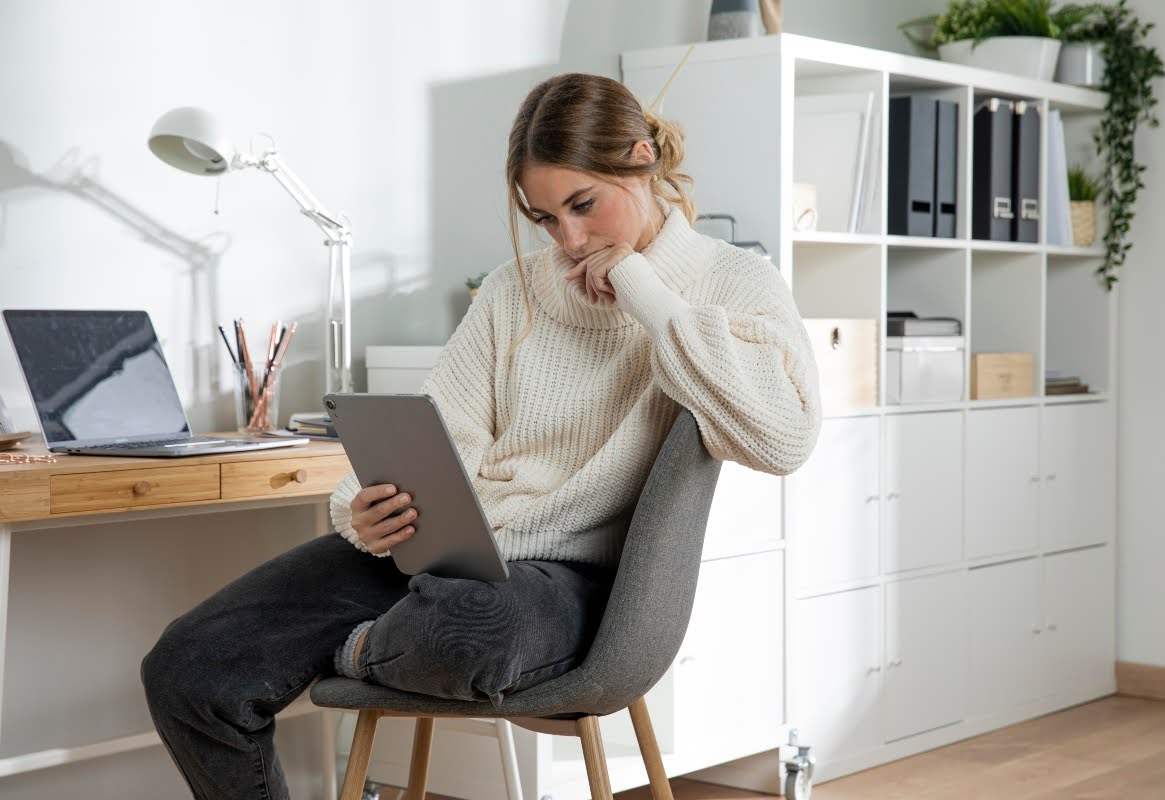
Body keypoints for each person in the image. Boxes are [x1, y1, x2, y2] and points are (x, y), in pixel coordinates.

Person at [141, 71, 821, 798]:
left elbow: (783, 438)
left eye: (584, 205)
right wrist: (361, 507)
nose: (571, 238)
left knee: (467, 628)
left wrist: (641, 287)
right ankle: (390, 633)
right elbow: (445, 427)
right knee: (188, 666)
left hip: (571, 583)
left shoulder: (733, 282)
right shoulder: (512, 290)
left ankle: (360, 643)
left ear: (641, 155)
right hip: (439, 555)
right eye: (546, 218)